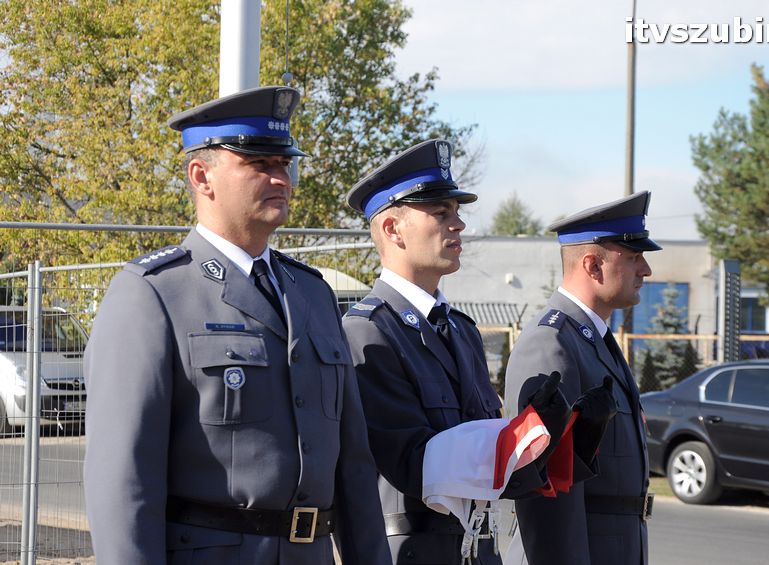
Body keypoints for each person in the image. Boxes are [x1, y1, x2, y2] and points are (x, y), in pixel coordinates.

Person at [83, 86, 392, 565]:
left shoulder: (312, 293)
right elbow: (123, 477)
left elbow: (353, 465)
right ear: (201, 175)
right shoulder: (154, 293)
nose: (281, 178)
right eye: (260, 165)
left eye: (284, 164)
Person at [342, 139, 613, 565]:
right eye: (440, 213)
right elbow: (413, 463)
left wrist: (564, 440)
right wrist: (522, 434)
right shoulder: (368, 332)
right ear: (392, 229)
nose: (459, 224)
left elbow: (498, 475)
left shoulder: (461, 331)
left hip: (477, 551)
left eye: (457, 212)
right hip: (414, 551)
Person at [503, 190, 662, 565]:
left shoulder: (595, 340)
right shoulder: (552, 343)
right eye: (635, 257)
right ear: (592, 265)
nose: (646, 270)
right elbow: (545, 491)